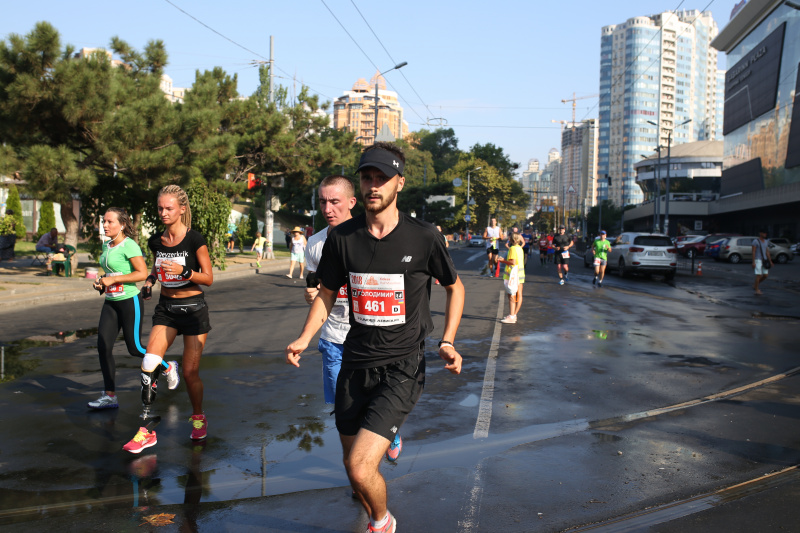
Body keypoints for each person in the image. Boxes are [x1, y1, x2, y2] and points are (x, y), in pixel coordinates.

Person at [286, 142, 464, 533]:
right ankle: (374, 514)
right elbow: (328, 293)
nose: (373, 185)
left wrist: (447, 340)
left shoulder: (423, 236)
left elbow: (455, 287)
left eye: (382, 177)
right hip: (354, 363)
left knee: (358, 465)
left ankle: (382, 523)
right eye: (367, 176)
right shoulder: (343, 237)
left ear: (399, 183)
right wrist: (304, 336)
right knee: (354, 471)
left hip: (402, 366)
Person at [124, 185, 213, 454]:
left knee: (189, 373)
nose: (163, 212)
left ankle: (198, 416)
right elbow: (155, 268)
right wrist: (150, 282)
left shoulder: (195, 239)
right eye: (160, 208)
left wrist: (185, 271)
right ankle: (145, 430)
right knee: (148, 363)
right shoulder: (156, 241)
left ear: (181, 209)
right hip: (167, 309)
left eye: (169, 208)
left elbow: (208, 278)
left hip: (194, 309)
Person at [87, 208, 152, 410]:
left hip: (129, 301)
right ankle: (110, 395)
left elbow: (142, 273)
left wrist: (113, 278)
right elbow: (110, 272)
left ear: (122, 224)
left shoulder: (129, 245)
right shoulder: (108, 244)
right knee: (104, 347)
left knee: (135, 348)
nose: (105, 225)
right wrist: (102, 283)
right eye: (103, 222)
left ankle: (167, 366)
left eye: (109, 222)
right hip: (111, 301)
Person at [498, 233, 526, 324]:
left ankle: (512, 316)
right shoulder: (519, 248)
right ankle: (514, 315)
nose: (508, 238)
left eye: (509, 237)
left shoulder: (513, 249)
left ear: (512, 239)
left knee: (511, 295)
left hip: (513, 275)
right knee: (519, 294)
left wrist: (502, 261)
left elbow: (513, 262)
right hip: (520, 274)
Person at [752, 229, 773, 295]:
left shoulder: (766, 242)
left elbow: (767, 251)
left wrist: (770, 261)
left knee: (765, 275)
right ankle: (757, 289)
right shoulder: (755, 241)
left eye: (766, 233)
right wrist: (753, 262)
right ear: (760, 233)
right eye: (764, 233)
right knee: (758, 275)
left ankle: (755, 285)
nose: (765, 234)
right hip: (758, 259)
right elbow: (753, 251)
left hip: (765, 260)